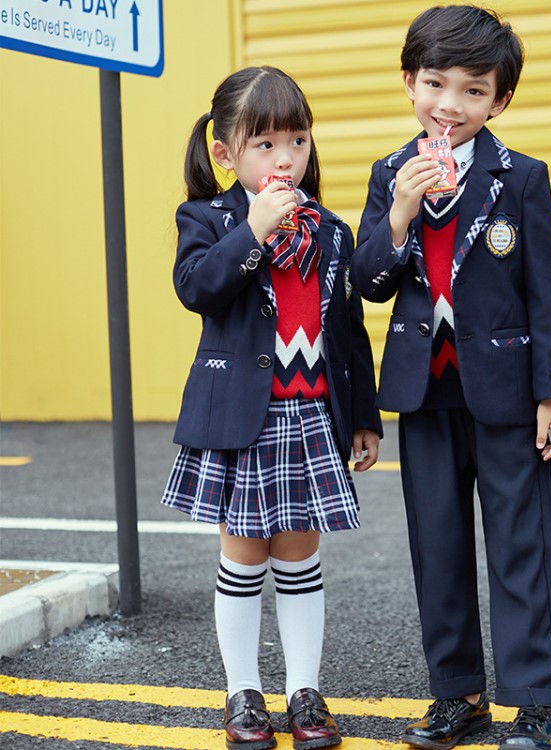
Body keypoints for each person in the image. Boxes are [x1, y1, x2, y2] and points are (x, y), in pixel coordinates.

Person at [350, 6, 551, 750]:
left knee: (520, 544)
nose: (450, 104)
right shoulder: (391, 175)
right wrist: (399, 215)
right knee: (437, 546)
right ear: (409, 81)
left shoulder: (522, 179)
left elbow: (548, 292)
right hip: (425, 390)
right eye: (435, 83)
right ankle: (459, 695)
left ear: (499, 100)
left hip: (507, 392)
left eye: (473, 91)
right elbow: (369, 282)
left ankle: (536, 702)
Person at [162, 66, 382, 750]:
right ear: (226, 152)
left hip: (311, 413)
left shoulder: (333, 232)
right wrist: (253, 231)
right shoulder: (209, 219)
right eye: (264, 144)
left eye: (297, 140)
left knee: (299, 556)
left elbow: (348, 331)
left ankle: (305, 692)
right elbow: (197, 288)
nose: (285, 158)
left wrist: (365, 417)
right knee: (243, 558)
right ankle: (243, 694)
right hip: (242, 420)